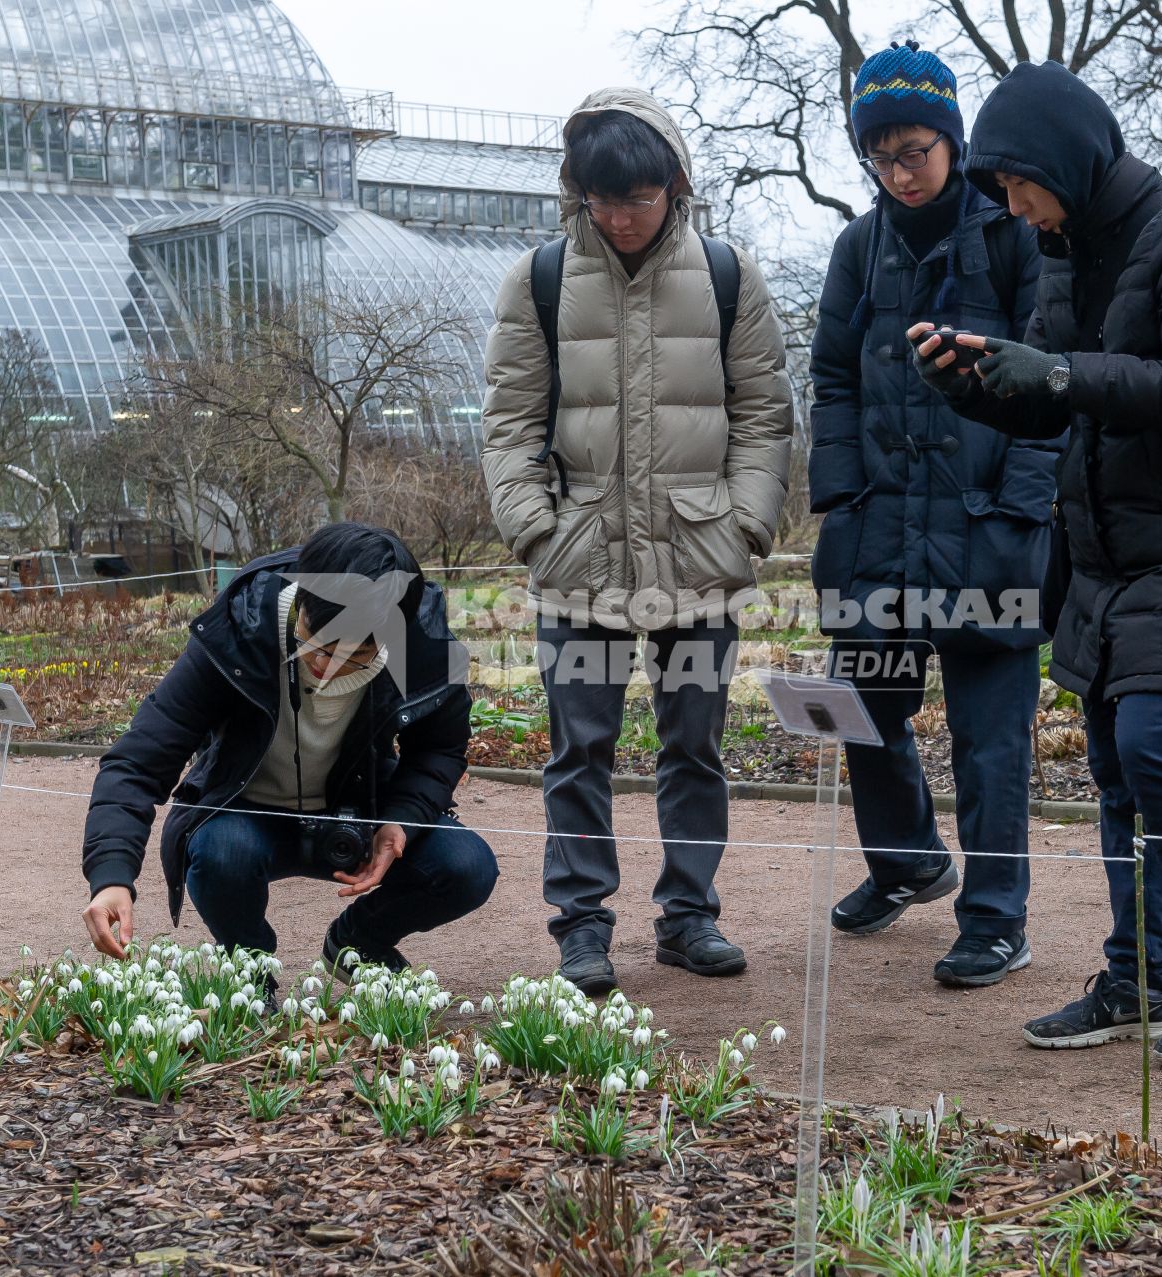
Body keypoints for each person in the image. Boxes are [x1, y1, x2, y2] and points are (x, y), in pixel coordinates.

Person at [913, 61, 1162, 1069]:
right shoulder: (1064, 250)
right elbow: (1053, 393)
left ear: (1066, 161)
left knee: (1160, 745)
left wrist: (1061, 369)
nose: (1011, 205)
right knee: (1120, 768)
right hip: (1103, 550)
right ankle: (1138, 975)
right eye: (999, 190)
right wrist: (975, 381)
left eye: (1016, 184)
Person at [480, 88, 794, 996]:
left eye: (638, 198)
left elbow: (767, 417)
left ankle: (688, 917)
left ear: (677, 185)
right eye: (601, 200)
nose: (619, 218)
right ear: (576, 192)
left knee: (694, 745)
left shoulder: (731, 276)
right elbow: (507, 424)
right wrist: (536, 530)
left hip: (702, 563)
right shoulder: (538, 279)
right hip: (578, 563)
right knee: (579, 750)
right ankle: (583, 928)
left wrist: (744, 528)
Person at [808, 40, 1057, 988]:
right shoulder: (855, 248)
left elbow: (1053, 379)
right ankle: (908, 861)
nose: (900, 172)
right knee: (862, 707)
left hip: (988, 528)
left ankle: (995, 919)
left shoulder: (1014, 237)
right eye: (881, 156)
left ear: (951, 141)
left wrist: (1022, 505)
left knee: (991, 740)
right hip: (877, 530)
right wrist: (839, 498)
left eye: (915, 150)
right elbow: (831, 379)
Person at [79, 523, 496, 975]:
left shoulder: (426, 647)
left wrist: (400, 820)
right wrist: (111, 876)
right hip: (245, 816)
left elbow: (440, 750)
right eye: (313, 641)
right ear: (301, 595)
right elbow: (139, 758)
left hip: (358, 813)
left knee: (465, 866)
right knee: (222, 853)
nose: (322, 665)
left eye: (352, 656)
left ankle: (358, 942)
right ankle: (252, 969)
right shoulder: (241, 627)